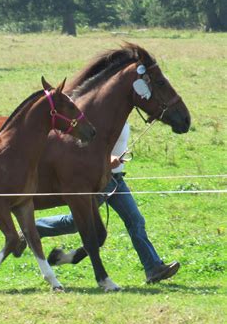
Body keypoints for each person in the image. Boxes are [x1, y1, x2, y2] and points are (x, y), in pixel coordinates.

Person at [35, 122, 180, 284]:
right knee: (75, 223)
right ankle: (33, 228)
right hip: (100, 181)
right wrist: (108, 159)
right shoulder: (101, 115)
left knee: (135, 221)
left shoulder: (121, 113)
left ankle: (153, 269)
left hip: (117, 180)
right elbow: (87, 146)